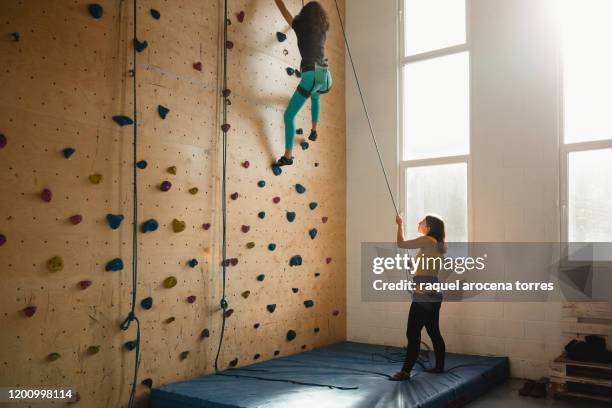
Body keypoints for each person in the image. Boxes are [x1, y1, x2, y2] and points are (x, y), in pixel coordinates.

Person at [273, 0, 333, 167]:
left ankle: (288, 155)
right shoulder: (323, 29)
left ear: (304, 14)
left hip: (311, 73)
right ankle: (314, 130)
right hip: (325, 73)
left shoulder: (299, 25)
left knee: (289, 115)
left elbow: (283, 9)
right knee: (315, 97)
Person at [391, 214, 447, 381]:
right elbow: (425, 270)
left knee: (412, 333)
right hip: (433, 293)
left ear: (428, 228)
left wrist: (399, 225)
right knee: (433, 331)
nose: (419, 223)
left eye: (422, 222)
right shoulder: (434, 244)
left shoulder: (427, 240)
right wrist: (412, 265)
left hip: (424, 295)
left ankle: (405, 372)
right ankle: (439, 367)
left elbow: (401, 243)